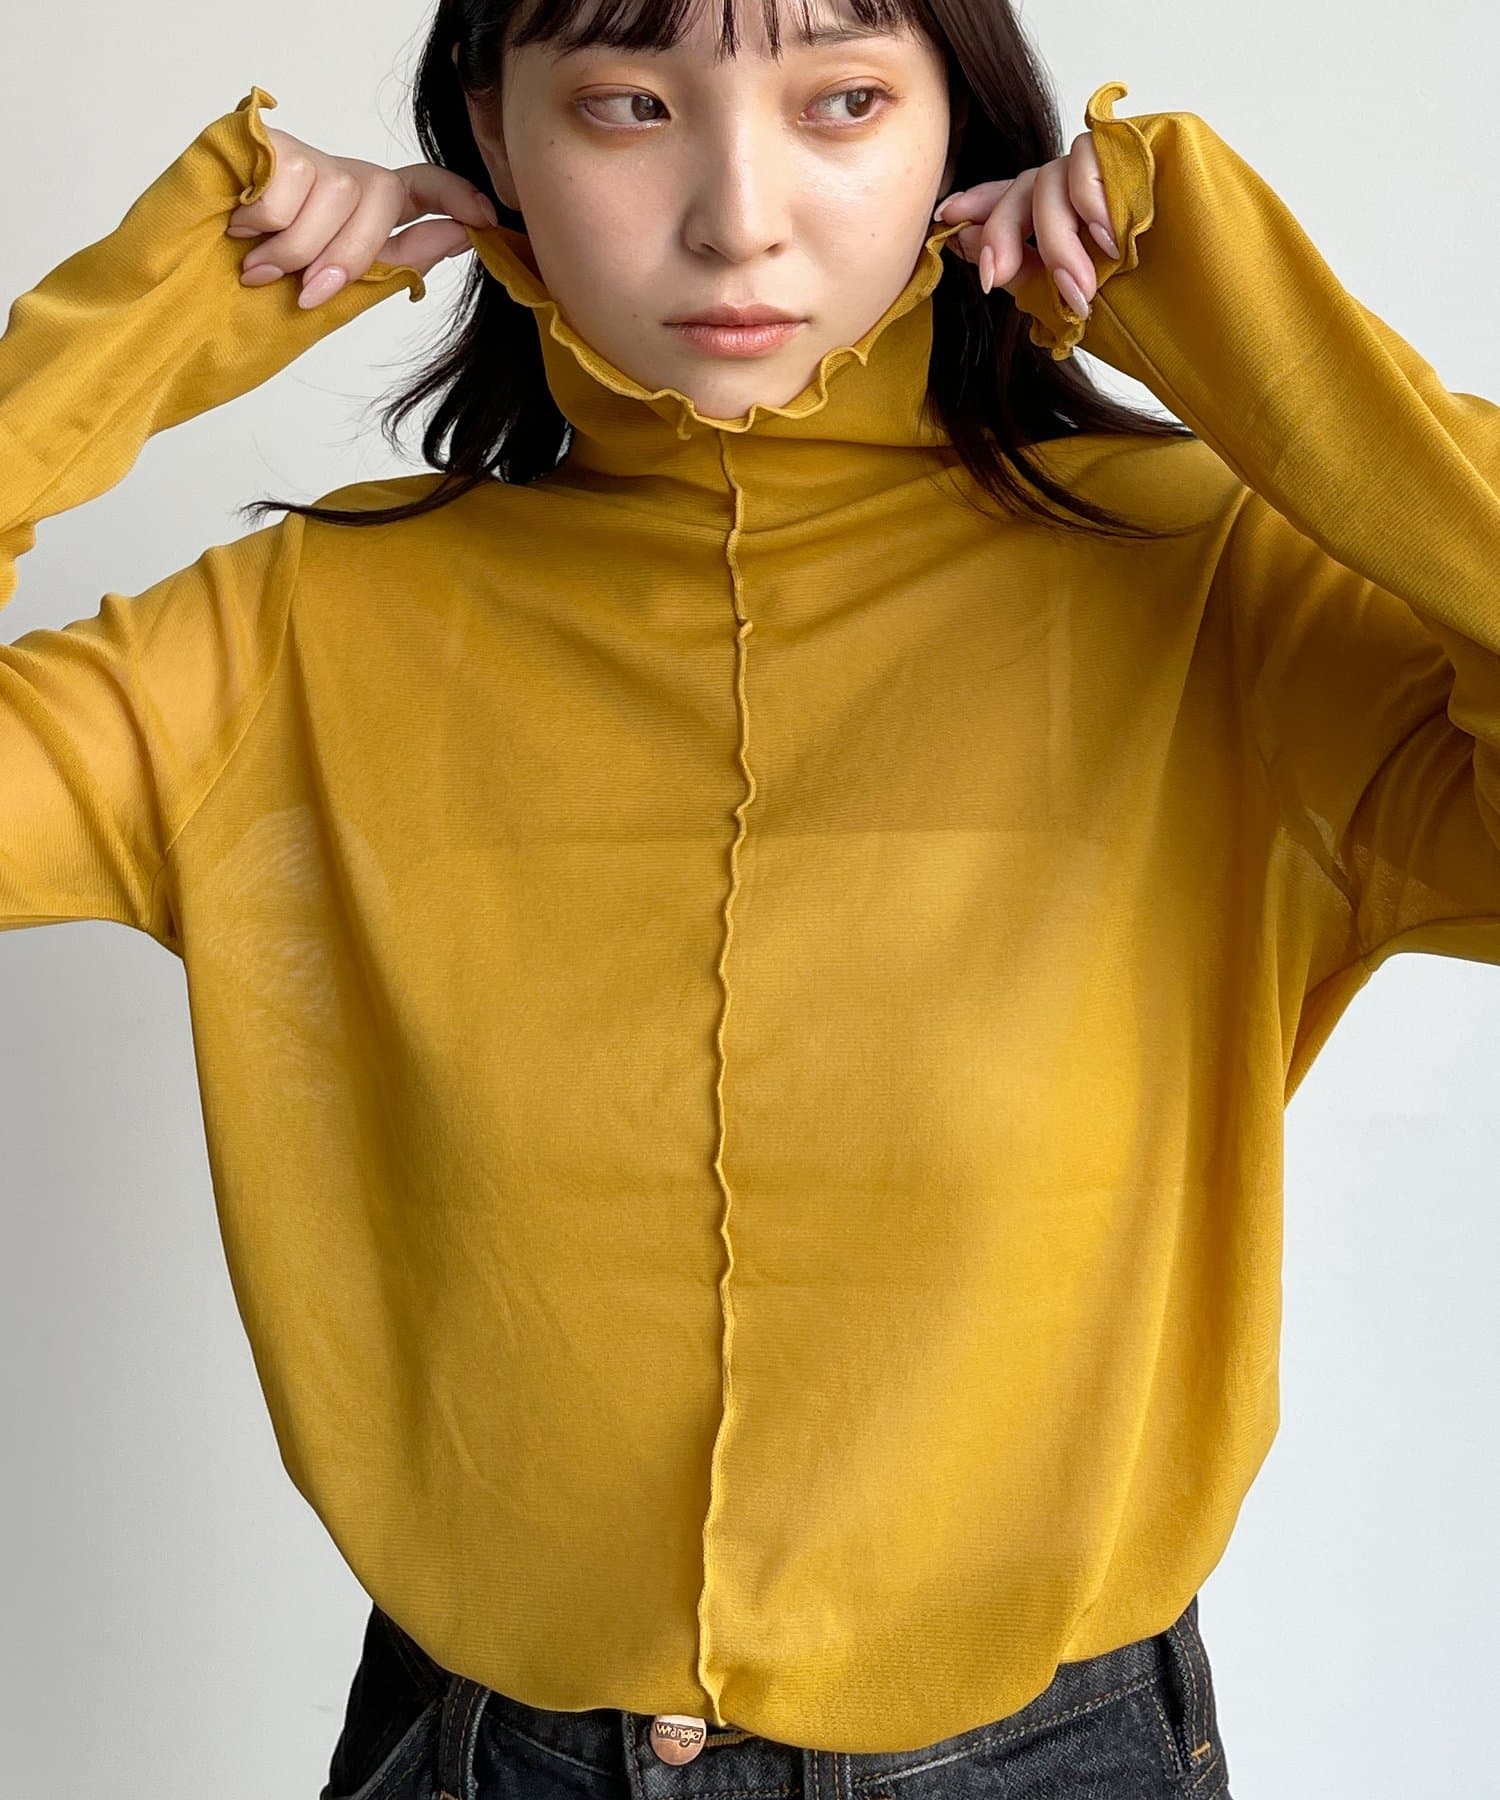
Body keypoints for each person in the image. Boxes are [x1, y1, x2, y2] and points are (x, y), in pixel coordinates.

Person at [4, 0, 1496, 1790]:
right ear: (493, 132)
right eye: (628, 106)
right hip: (485, 1752)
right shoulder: (286, 638)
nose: (738, 218)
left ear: (960, 134)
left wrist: (1270, 350)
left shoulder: (1217, 599)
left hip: (1056, 1751)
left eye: (842, 101)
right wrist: (140, 330)